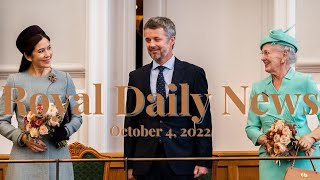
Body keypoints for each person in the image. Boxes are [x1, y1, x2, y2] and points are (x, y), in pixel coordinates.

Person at [124, 17, 212, 180]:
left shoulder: (193, 74)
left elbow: (203, 120)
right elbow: (130, 122)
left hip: (182, 161)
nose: (151, 44)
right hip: (145, 164)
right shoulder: (136, 77)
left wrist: (203, 160)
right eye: (148, 40)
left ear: (172, 40)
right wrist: (129, 165)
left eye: (157, 39)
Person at [0, 25, 82, 180]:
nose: (48, 54)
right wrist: (23, 138)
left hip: (58, 158)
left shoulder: (65, 79)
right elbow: (1, 121)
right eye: (41, 51)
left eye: (49, 48)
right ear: (28, 56)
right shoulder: (14, 81)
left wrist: (65, 131)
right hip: (24, 161)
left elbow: (77, 117)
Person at [245, 29, 320, 180]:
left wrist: (311, 138)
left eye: (266, 53)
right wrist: (268, 140)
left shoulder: (304, 82)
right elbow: (251, 127)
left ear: (284, 56)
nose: (262, 58)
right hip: (271, 161)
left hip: (302, 159)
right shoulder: (258, 88)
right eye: (262, 53)